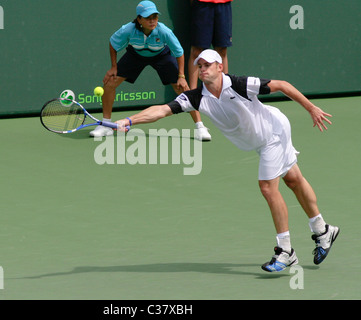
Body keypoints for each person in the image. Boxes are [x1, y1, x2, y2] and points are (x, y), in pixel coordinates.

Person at [116, 49, 340, 272]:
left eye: (207, 65)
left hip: (273, 132)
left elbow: (282, 85)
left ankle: (285, 252)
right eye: (200, 66)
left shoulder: (240, 84)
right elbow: (162, 110)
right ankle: (323, 230)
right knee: (293, 179)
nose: (202, 69)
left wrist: (311, 108)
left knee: (268, 188)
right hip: (261, 139)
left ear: (219, 67)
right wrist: (130, 120)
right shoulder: (196, 97)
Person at [90, 1, 211, 141]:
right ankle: (106, 125)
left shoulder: (164, 31)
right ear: (139, 19)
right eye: (148, 18)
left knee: (182, 88)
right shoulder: (128, 29)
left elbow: (179, 52)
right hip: (135, 55)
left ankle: (200, 126)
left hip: (162, 56)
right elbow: (113, 43)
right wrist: (113, 67)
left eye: (155, 17)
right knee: (110, 83)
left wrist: (181, 76)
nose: (152, 20)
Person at [186, 0, 233, 142]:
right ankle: (192, 100)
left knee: (222, 50)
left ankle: (225, 95)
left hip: (224, 4)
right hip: (202, 4)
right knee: (197, 51)